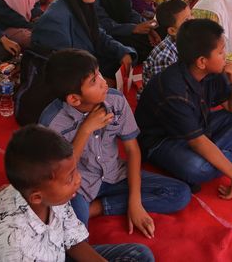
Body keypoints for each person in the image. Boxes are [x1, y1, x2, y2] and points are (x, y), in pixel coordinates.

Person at [38, 49, 191, 229]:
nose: (104, 83)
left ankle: (98, 208)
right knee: (68, 223)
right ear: (74, 99)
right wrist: (86, 129)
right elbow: (59, 172)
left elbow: (132, 149)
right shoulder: (52, 123)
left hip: (115, 174)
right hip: (79, 186)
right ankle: (88, 209)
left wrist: (135, 202)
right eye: (94, 81)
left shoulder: (115, 101)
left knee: (180, 193)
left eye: (99, 73)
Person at [0, 124, 155, 262]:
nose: (79, 180)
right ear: (37, 197)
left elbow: (73, 242)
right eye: (70, 178)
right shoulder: (15, 243)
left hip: (54, 253)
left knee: (139, 255)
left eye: (75, 171)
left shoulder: (51, 193)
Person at [135, 19, 232, 195]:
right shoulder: (174, 91)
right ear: (202, 61)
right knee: (196, 168)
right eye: (220, 51)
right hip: (162, 141)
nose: (225, 55)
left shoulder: (211, 71)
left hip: (197, 127)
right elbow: (197, 142)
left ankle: (217, 156)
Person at [31, 0, 135, 78]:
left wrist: (122, 51)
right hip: (72, 79)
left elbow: (98, 34)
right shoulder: (54, 20)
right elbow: (65, 68)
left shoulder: (81, 4)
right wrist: (95, 80)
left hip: (87, 65)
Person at [141, 0, 191, 89]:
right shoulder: (165, 58)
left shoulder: (184, 41)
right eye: (187, 21)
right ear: (172, 31)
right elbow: (167, 93)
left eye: (192, 16)